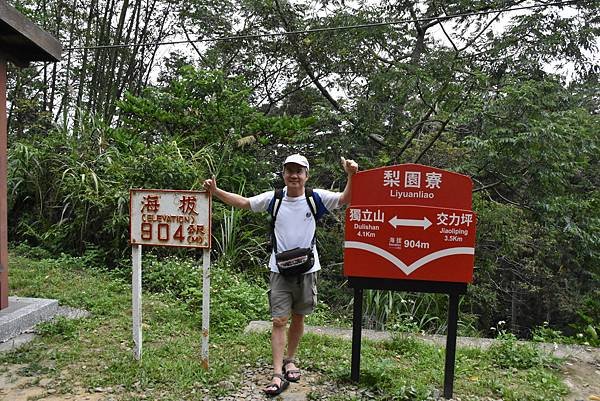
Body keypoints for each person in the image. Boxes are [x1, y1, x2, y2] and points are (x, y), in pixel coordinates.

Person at [203, 154, 358, 396]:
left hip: (307, 269)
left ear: (307, 175)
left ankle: (291, 359)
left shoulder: (314, 198)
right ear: (283, 174)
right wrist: (216, 191)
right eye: (289, 171)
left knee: (299, 316)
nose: (294, 175)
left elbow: (345, 199)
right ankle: (277, 373)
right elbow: (244, 202)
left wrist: (351, 175)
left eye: (299, 171)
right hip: (279, 270)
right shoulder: (274, 199)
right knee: (278, 320)